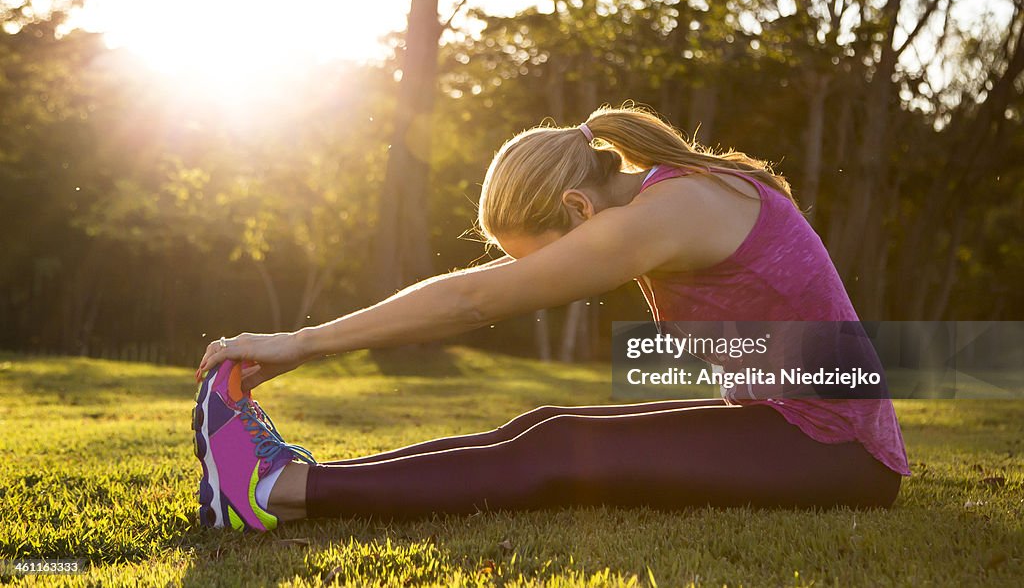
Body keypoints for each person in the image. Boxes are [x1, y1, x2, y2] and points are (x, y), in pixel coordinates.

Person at [193, 105, 910, 532]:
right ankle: (288, 479)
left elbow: (471, 302)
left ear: (576, 208)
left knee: (561, 449)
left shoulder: (671, 210)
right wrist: (308, 344)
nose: (536, 275)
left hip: (836, 448)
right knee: (535, 425)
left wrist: (302, 342)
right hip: (787, 420)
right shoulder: (657, 200)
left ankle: (277, 492)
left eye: (538, 258)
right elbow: (475, 287)